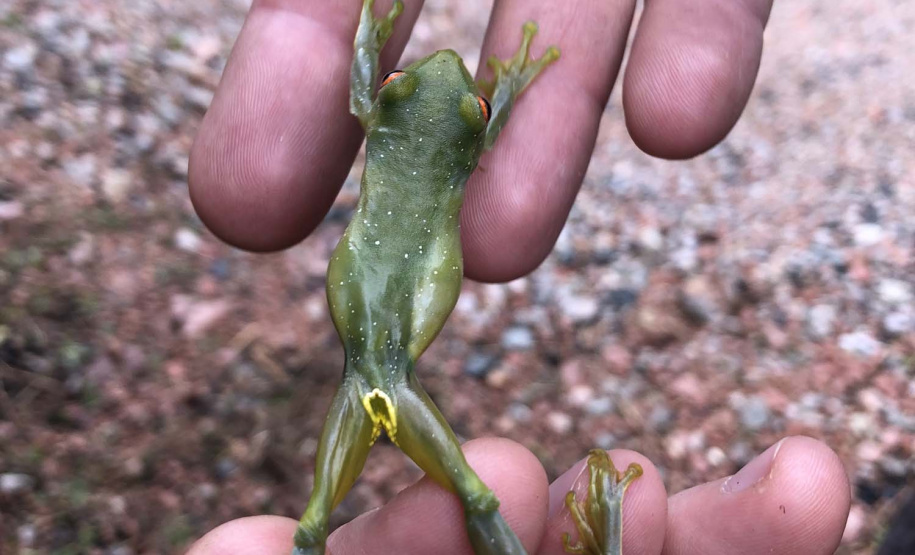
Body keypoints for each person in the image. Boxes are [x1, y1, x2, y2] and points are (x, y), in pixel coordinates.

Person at [187, 1, 851, 553]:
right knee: (467, 486)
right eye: (399, 87)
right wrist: (497, 93)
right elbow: (460, 122)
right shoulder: (431, 135)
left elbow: (365, 91)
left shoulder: (377, 115)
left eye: (471, 109)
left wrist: (372, 34)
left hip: (378, 352)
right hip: (381, 356)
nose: (443, 71)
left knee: (433, 486)